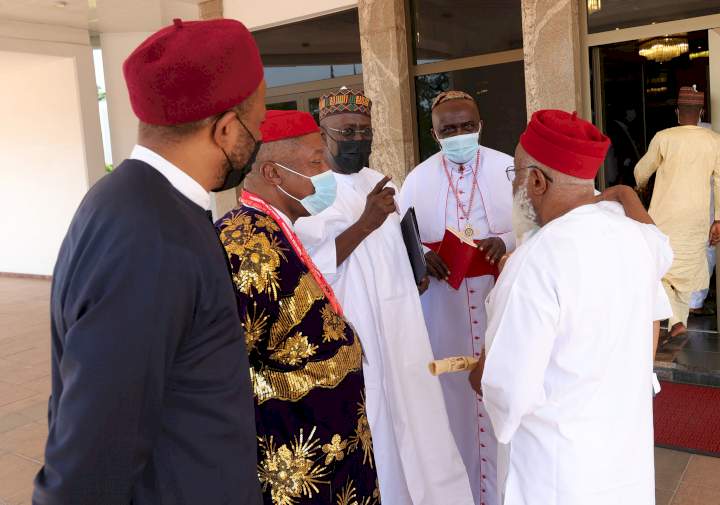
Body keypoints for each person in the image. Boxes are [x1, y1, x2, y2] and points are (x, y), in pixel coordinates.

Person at [33, 19, 266, 505]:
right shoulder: (150, 238)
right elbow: (88, 463)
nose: (259, 137)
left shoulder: (142, 203)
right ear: (225, 129)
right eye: (257, 125)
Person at [474, 109, 673, 505]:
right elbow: (661, 253)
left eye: (515, 175)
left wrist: (481, 374)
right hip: (622, 457)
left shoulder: (534, 260)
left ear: (536, 181)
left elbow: (507, 390)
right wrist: (624, 195)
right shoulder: (636, 240)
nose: (515, 187)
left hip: (558, 471)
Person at [293, 88, 474, 505]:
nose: (358, 139)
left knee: (421, 421)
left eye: (365, 131)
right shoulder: (314, 192)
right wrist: (366, 222)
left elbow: (392, 245)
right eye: (347, 131)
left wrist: (417, 266)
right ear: (324, 134)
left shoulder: (377, 180)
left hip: (402, 324)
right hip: (359, 327)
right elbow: (316, 268)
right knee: (379, 429)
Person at [216, 110, 378, 505]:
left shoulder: (278, 227)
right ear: (273, 174)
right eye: (315, 162)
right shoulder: (245, 244)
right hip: (293, 459)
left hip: (331, 452)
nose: (327, 172)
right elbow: (229, 368)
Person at [398, 90, 514, 505]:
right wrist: (423, 255)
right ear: (434, 133)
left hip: (497, 298)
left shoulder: (509, 169)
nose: (460, 134)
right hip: (443, 308)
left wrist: (504, 240)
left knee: (499, 390)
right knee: (451, 397)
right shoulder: (417, 178)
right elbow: (403, 237)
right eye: (449, 129)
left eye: (467, 127)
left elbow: (534, 224)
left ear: (480, 125)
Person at [635, 86, 720, 337]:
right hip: (696, 218)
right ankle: (677, 321)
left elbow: (642, 171)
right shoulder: (714, 141)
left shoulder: (664, 137)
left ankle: (674, 320)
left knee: (661, 267)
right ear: (702, 112)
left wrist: (639, 186)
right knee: (685, 269)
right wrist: (718, 219)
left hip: (664, 216)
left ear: (677, 112)